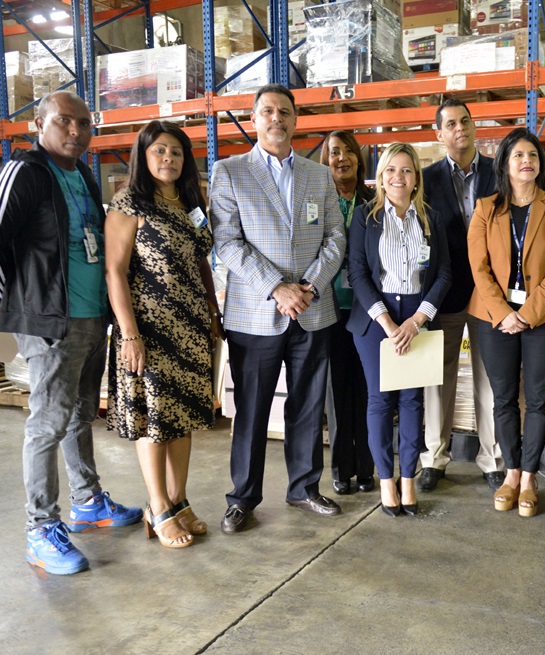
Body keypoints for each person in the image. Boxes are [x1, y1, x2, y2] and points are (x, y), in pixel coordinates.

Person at [0, 91, 142, 575]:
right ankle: (39, 530)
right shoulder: (23, 173)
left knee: (81, 413)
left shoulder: (81, 173)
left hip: (89, 318)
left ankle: (88, 502)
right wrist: (23, 305)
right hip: (52, 325)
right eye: (65, 121)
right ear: (39, 125)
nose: (76, 131)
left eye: (84, 123)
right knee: (46, 425)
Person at [211, 84, 346, 533]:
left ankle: (304, 487)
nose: (276, 118)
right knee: (251, 407)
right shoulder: (229, 171)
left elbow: (335, 238)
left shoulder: (318, 175)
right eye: (267, 111)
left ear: (294, 120)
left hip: (312, 309)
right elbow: (227, 242)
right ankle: (242, 498)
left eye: (284, 112)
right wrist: (277, 288)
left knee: (308, 405)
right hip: (255, 313)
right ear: (254, 119)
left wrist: (306, 286)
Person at [104, 121, 221, 548]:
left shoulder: (191, 202)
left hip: (189, 326)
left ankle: (179, 499)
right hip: (149, 328)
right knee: (154, 419)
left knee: (183, 416)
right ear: (144, 156)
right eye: (159, 151)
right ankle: (157, 507)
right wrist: (129, 333)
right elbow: (114, 271)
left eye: (175, 151)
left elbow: (201, 263)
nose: (168, 158)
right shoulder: (129, 202)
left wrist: (211, 311)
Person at [467, 128, 545, 518]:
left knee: (538, 398)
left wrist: (528, 314)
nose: (526, 160)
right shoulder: (485, 209)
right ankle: (510, 474)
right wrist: (504, 314)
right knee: (503, 398)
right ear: (505, 164)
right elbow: (479, 269)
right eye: (518, 155)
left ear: (540, 163)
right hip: (494, 317)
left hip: (544, 317)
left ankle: (530, 478)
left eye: (532, 154)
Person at [347, 143, 452, 516]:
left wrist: (417, 319)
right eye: (391, 169)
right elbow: (357, 272)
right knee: (380, 401)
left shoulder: (431, 219)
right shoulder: (365, 217)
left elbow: (442, 273)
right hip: (378, 319)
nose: (398, 177)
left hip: (417, 316)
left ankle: (409, 478)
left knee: (412, 401)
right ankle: (386, 481)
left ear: (416, 178)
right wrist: (389, 322)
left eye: (406, 170)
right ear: (381, 176)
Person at [419, 98, 504, 493]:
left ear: (474, 126)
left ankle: (493, 459)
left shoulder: (498, 172)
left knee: (491, 378)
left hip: (491, 294)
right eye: (450, 124)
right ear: (440, 134)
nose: (460, 129)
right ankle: (434, 457)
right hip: (446, 292)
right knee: (438, 377)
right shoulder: (427, 178)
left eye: (465, 121)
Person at [320, 130, 376, 496]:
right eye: (334, 152)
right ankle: (341, 469)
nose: (342, 157)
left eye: (348, 151)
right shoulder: (318, 200)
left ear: (359, 157)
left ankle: (367, 468)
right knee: (337, 395)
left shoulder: (375, 201)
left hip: (369, 309)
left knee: (369, 391)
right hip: (329, 310)